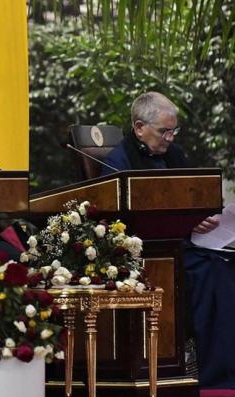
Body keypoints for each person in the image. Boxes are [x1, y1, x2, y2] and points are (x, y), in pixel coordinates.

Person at [102, 91, 235, 390]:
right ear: (139, 127)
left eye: (174, 130)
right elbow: (119, 220)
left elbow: (192, 198)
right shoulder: (118, 161)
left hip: (184, 244)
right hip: (149, 252)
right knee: (209, 273)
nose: (170, 138)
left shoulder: (175, 155)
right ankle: (214, 374)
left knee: (226, 265)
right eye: (164, 131)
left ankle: (224, 367)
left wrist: (202, 218)